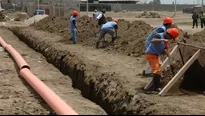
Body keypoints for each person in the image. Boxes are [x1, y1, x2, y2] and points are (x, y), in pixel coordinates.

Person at [145, 28, 179, 92]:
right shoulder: (159, 35)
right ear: (169, 35)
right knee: (157, 70)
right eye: (171, 38)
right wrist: (163, 40)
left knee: (159, 69)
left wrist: (164, 51)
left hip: (156, 55)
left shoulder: (165, 41)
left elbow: (163, 49)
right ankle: (155, 88)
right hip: (151, 55)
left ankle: (156, 85)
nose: (170, 39)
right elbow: (153, 40)